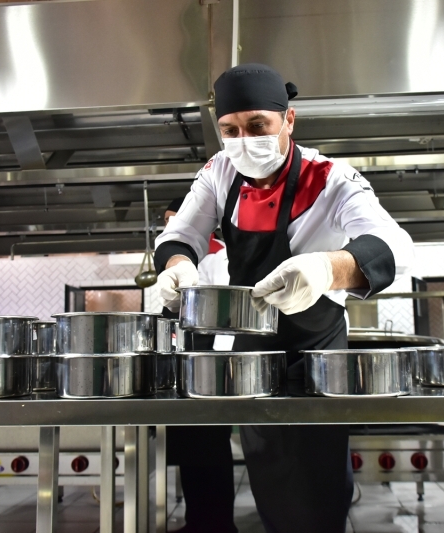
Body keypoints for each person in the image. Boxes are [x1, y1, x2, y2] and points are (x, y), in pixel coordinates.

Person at [155, 64, 414, 533]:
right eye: (230, 130)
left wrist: (326, 269)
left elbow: (395, 245)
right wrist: (178, 266)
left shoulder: (331, 178)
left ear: (289, 120)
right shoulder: (219, 171)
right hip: (253, 349)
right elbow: (181, 234)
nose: (243, 141)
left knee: (316, 481)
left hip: (315, 349)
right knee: (270, 469)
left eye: (258, 126)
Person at [163, 199, 237, 533]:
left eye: (175, 220)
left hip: (212, 367)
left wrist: (219, 367)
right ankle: (197, 522)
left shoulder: (220, 256)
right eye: (166, 222)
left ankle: (218, 525)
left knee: (210, 449)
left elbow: (226, 317)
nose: (170, 228)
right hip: (188, 366)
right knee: (191, 449)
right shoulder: (178, 260)